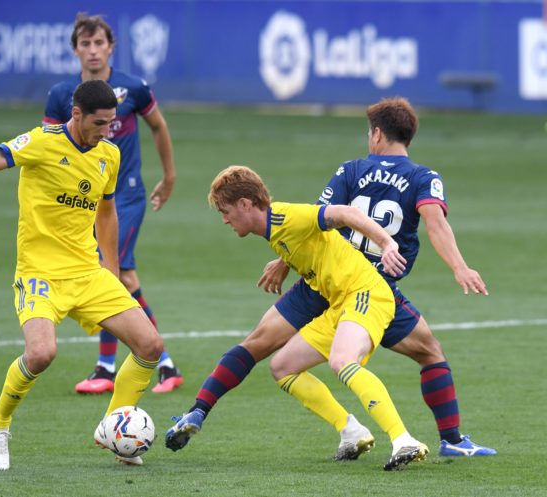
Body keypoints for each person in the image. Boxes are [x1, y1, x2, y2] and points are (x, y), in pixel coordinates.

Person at [165, 97, 495, 459]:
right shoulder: (423, 178)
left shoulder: (350, 171)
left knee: (259, 344)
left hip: (340, 284)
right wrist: (459, 267)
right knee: (430, 353)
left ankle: (203, 408)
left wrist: (283, 262)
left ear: (377, 134)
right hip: (366, 280)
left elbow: (321, 216)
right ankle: (450, 438)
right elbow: (433, 223)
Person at [0, 80, 163, 470]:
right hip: (40, 273)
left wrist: (111, 269)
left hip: (87, 271)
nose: (106, 131)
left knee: (149, 345)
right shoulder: (41, 142)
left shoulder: (109, 155)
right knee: (42, 353)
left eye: (111, 124)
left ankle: (113, 428)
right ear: (77, 115)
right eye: (100, 124)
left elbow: (106, 212)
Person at [169, 165, 428, 470]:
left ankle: (403, 439)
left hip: (365, 292)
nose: (225, 219)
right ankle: (351, 431)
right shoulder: (275, 232)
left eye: (225, 211)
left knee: (342, 361)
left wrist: (387, 244)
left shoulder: (286, 217)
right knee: (283, 367)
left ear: (245, 204)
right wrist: (284, 261)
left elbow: (345, 213)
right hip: (338, 302)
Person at [43, 13, 182, 394]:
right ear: (75, 49)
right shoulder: (61, 96)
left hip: (127, 196)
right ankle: (166, 364)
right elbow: (49, 149)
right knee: (128, 280)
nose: (92, 51)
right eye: (85, 44)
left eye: (99, 43)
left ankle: (105, 369)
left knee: (109, 272)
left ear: (111, 46)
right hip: (87, 200)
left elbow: (159, 126)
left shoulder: (132, 88)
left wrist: (168, 176)